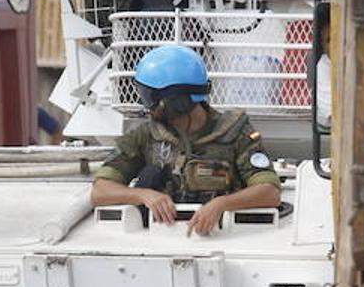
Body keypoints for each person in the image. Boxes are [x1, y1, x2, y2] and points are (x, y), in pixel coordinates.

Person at [90, 44, 282, 236]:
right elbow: (100, 191)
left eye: (150, 98)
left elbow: (269, 192)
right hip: (160, 237)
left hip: (221, 238)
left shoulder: (235, 133)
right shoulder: (147, 134)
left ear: (176, 102)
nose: (147, 107)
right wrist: (143, 195)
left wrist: (221, 205)